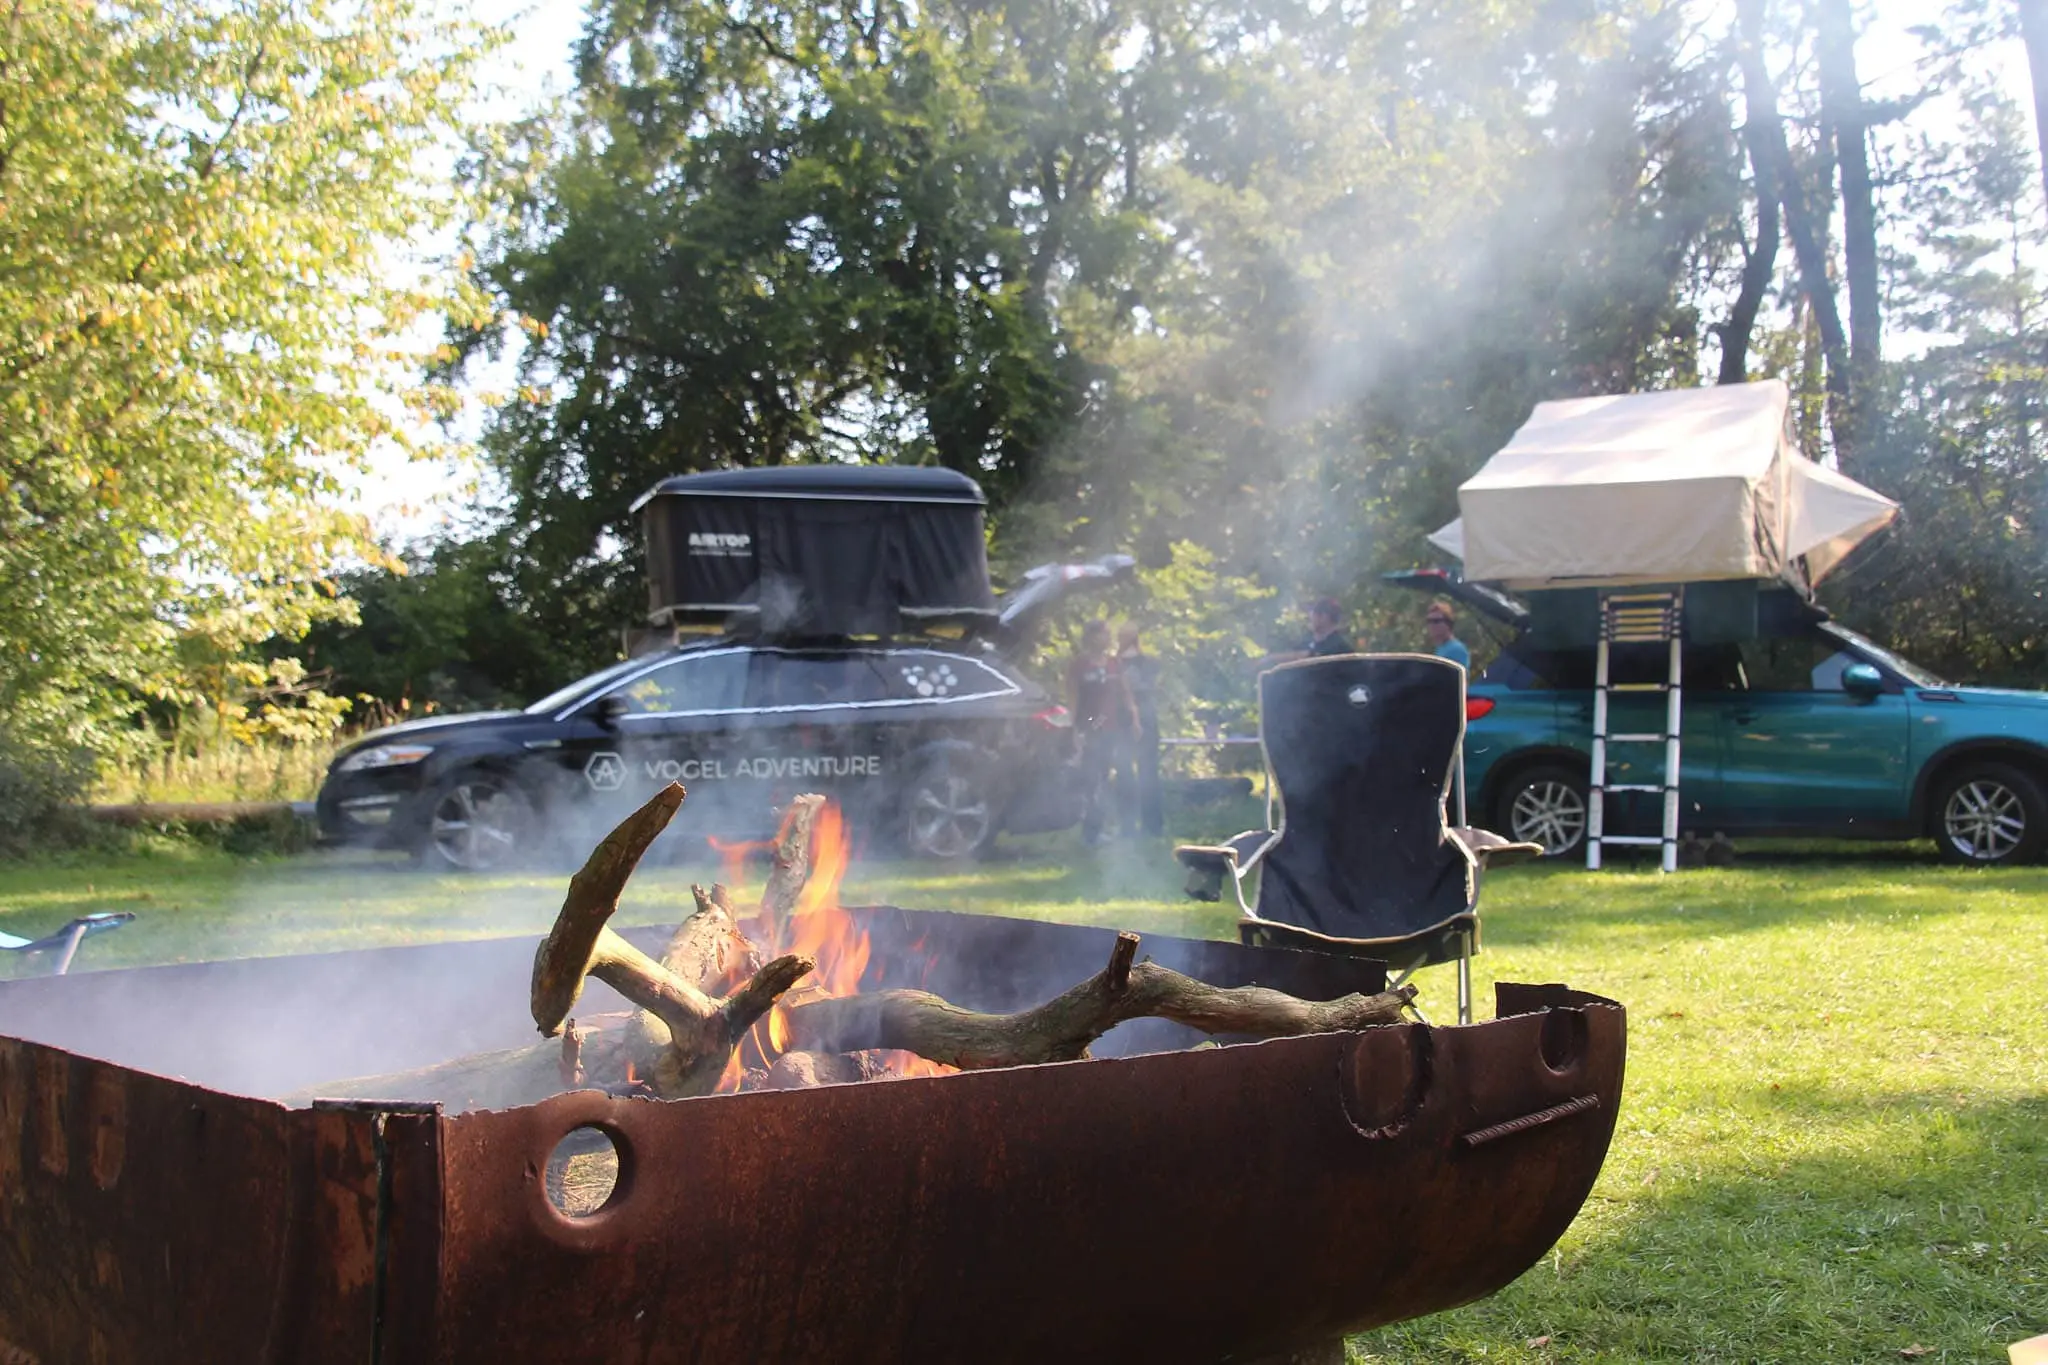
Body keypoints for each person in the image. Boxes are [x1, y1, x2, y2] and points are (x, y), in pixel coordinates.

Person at [1068, 619, 1134, 845]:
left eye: (1108, 633)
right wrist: (1074, 730)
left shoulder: (1114, 663)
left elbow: (1125, 693)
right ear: (1091, 637)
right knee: (1092, 779)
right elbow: (1073, 699)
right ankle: (1089, 832)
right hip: (1090, 726)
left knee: (1106, 779)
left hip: (1113, 728)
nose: (1107, 637)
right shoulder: (1079, 665)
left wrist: (1134, 718)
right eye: (1103, 633)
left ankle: (1101, 829)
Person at [1116, 624, 1164, 837]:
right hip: (1123, 720)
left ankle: (1148, 825)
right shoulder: (1114, 664)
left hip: (1141, 718)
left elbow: (1148, 688)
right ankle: (1133, 825)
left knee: (1144, 773)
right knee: (1128, 772)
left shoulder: (1147, 663)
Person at [1260, 598, 1354, 669]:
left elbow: (1310, 657)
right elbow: (1299, 654)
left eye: (1312, 616)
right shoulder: (1306, 642)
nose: (1309, 619)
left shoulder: (1340, 648)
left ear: (1324, 617)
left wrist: (1271, 659)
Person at [1425, 599, 1470, 670]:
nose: (1431, 625)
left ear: (1448, 623)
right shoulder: (1441, 647)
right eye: (1429, 621)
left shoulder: (1456, 650)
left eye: (1436, 621)